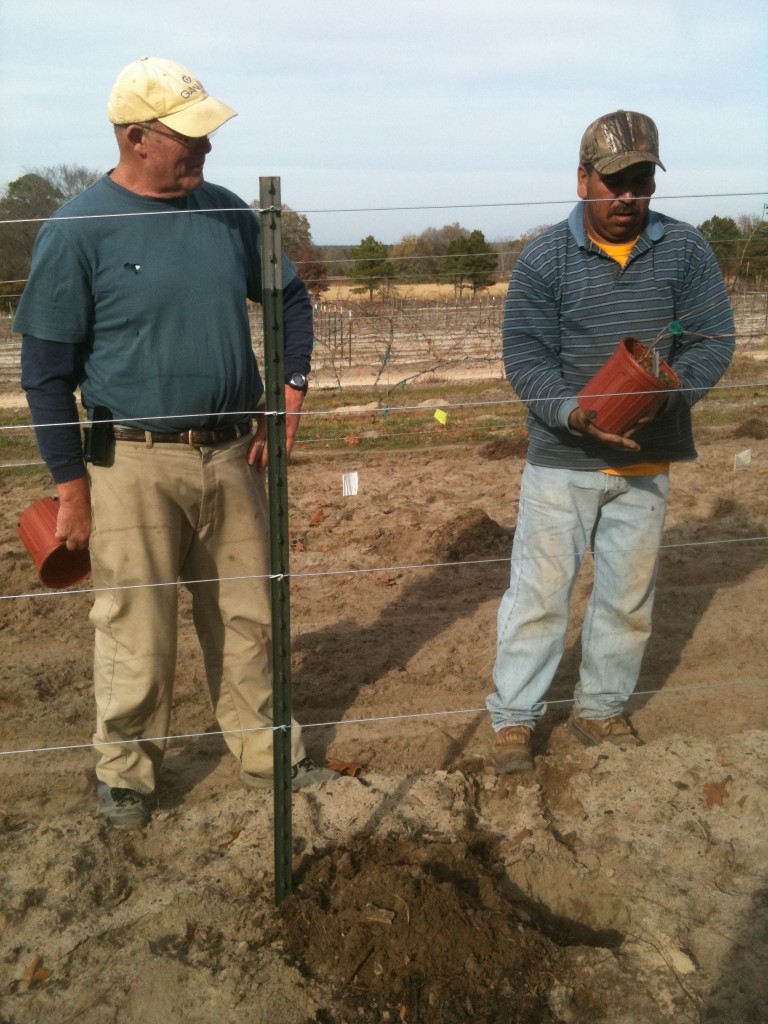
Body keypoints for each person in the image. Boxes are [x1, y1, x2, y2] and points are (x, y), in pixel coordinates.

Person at [15, 56, 335, 829]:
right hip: (130, 462)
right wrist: (71, 489)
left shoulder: (229, 214)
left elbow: (290, 299)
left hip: (232, 454)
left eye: (207, 132)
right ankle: (125, 772)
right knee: (136, 627)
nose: (207, 148)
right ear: (136, 138)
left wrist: (288, 392)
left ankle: (265, 750)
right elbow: (46, 373)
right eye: (190, 136)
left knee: (250, 616)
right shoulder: (76, 230)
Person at [487, 109, 734, 773]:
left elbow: (713, 340)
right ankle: (515, 718)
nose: (627, 196)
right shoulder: (545, 258)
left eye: (641, 181)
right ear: (583, 179)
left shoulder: (685, 250)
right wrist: (573, 414)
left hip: (647, 459)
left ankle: (600, 708)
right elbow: (525, 357)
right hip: (562, 461)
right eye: (614, 181)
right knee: (539, 596)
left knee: (627, 598)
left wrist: (668, 397)